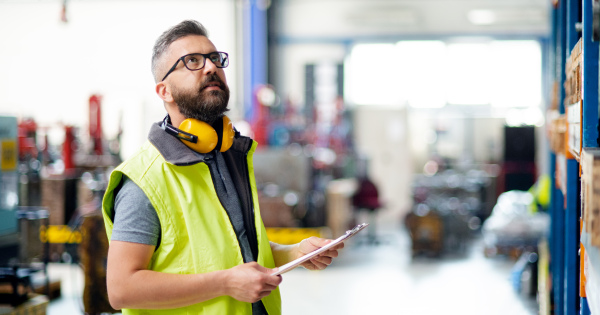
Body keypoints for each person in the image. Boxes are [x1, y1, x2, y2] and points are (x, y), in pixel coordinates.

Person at [101, 20, 343, 315]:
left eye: (215, 58)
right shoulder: (145, 179)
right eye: (191, 61)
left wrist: (294, 252)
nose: (210, 67)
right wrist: (225, 283)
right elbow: (122, 290)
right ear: (164, 91)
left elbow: (235, 249)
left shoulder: (229, 155)